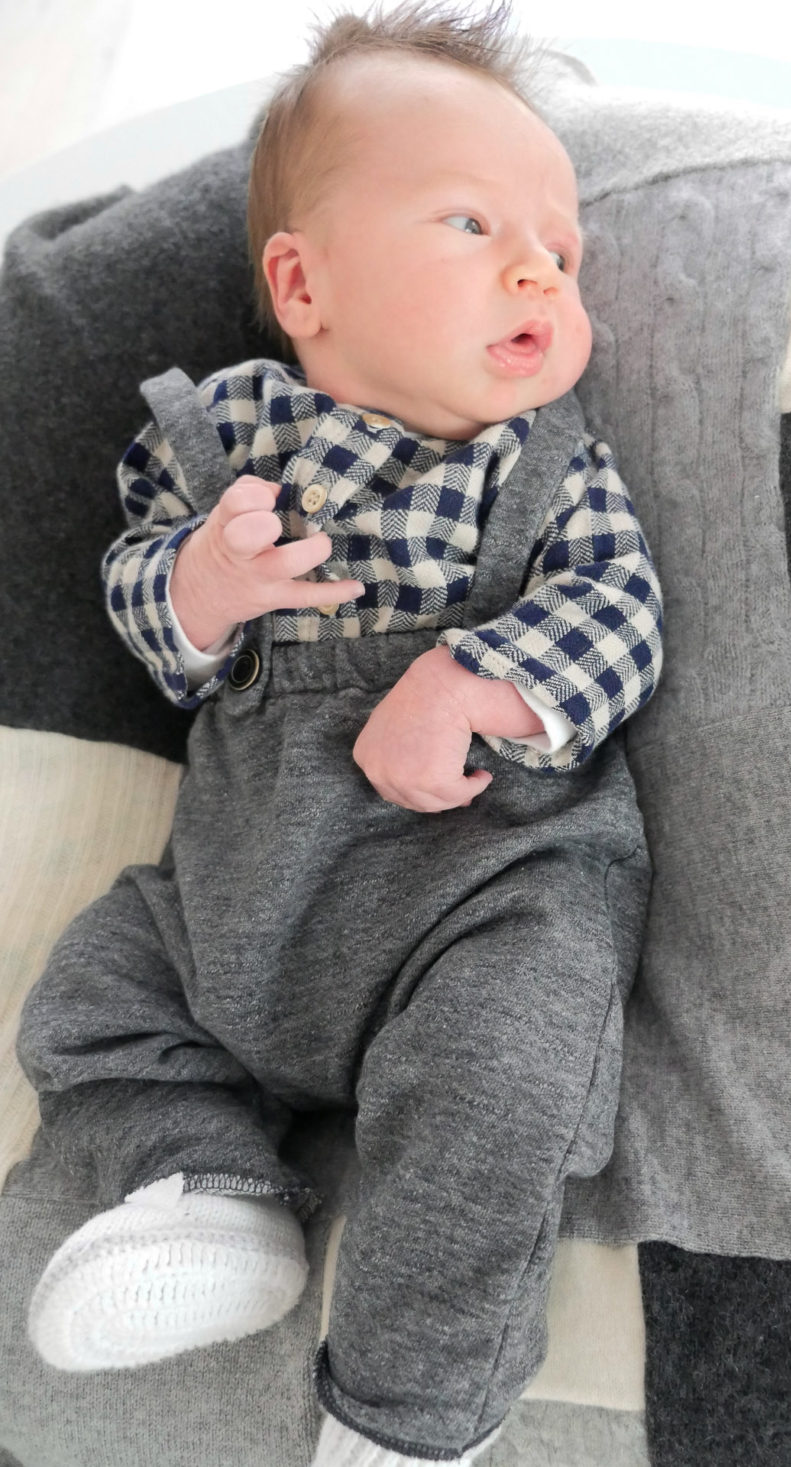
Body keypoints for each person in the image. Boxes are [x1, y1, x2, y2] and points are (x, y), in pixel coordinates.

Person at [15, 5, 662, 1465]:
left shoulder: (548, 470)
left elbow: (623, 622)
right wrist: (202, 582)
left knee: (500, 1088)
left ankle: (406, 1412)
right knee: (90, 995)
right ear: (304, 284)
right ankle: (213, 1193)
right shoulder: (222, 441)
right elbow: (140, 607)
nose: (536, 269)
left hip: (477, 902)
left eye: (560, 252)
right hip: (237, 912)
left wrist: (476, 684)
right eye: (471, 221)